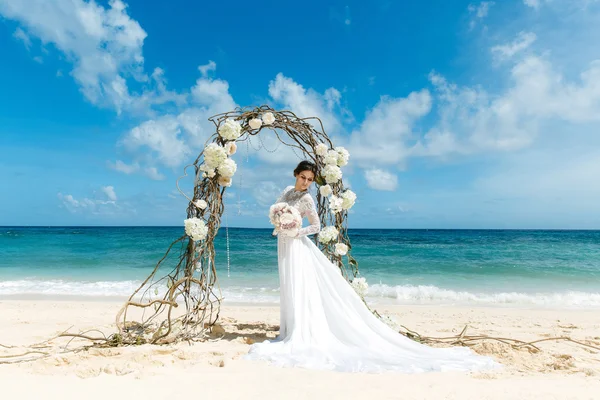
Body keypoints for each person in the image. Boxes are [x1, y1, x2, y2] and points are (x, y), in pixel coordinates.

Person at [245, 161, 499, 373]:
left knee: (298, 284)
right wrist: (279, 222)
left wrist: (296, 230)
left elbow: (316, 227)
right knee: (287, 283)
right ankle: (288, 326)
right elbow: (277, 208)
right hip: (283, 242)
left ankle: (299, 329)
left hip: (297, 244)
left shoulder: (309, 200)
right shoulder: (288, 190)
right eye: (303, 177)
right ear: (295, 175)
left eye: (310, 179)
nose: (306, 182)